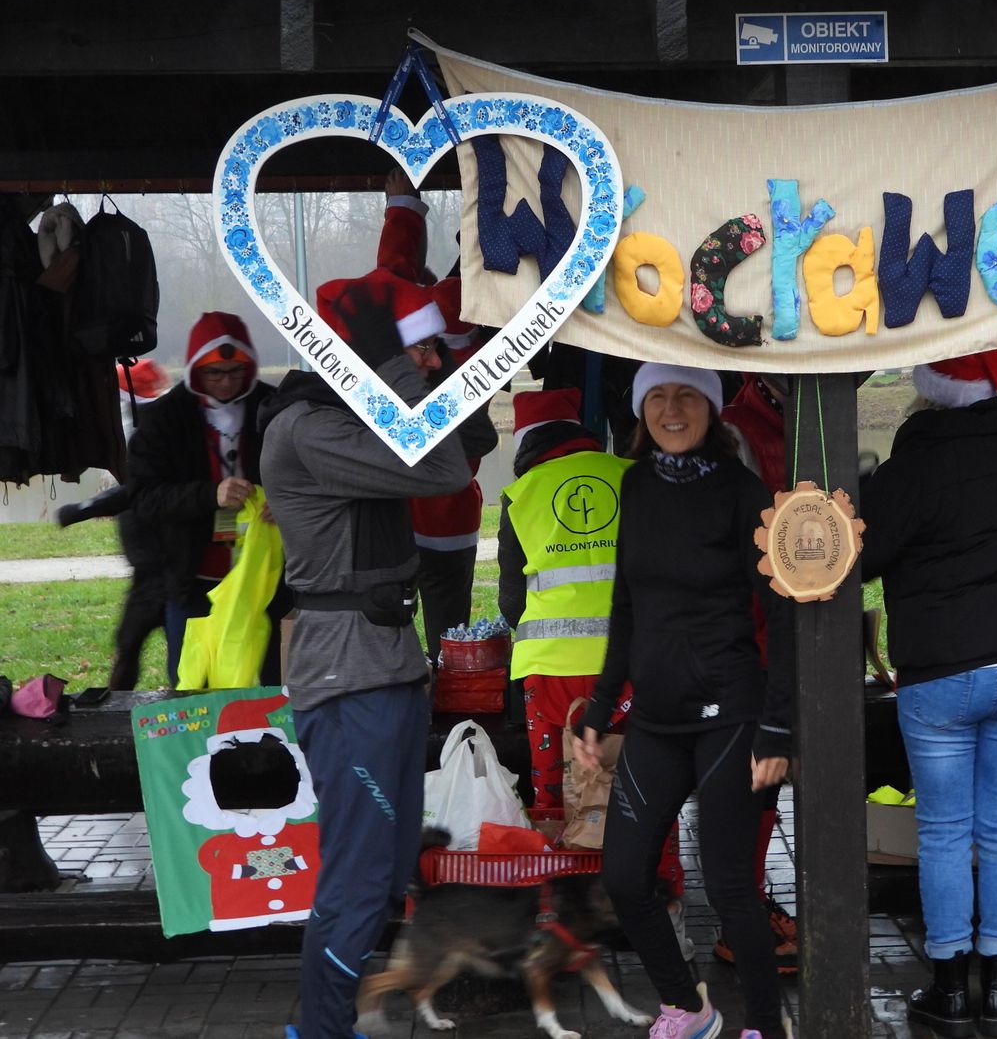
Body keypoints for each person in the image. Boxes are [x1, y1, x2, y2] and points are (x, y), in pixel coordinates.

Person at [260, 268, 472, 1039]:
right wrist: (391, 365)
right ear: (367, 353)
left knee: (385, 875)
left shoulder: (353, 421)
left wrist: (422, 374)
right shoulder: (311, 430)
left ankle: (331, 1025)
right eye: (414, 349)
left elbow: (466, 441)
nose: (429, 363)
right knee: (357, 880)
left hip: (385, 667)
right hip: (349, 679)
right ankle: (320, 1032)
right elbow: (444, 467)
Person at [575, 362, 795, 1039]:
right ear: (641, 411)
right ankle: (688, 1007)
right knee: (625, 877)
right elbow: (625, 601)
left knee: (730, 887)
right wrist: (600, 704)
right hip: (656, 718)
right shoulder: (635, 485)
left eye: (687, 396)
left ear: (711, 407)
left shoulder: (742, 491)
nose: (672, 410)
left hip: (730, 713)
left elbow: (783, 613)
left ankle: (765, 1026)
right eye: (658, 397)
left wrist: (777, 728)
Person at [859, 351, 997, 1039]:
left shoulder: (911, 465)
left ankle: (950, 990)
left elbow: (867, 555)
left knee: (945, 832)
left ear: (929, 393)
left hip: (941, 670)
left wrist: (866, 489)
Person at [373, 169, 500, 660]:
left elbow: (393, 272)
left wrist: (402, 208)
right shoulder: (487, 354)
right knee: (452, 641)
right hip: (451, 520)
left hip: (396, 519)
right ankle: (451, 693)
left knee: (390, 640)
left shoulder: (404, 354)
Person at [498, 385, 634, 810]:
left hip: (549, 664)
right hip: (630, 662)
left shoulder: (521, 494)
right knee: (635, 779)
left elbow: (510, 601)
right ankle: (638, 844)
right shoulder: (632, 476)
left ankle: (557, 840)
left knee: (552, 783)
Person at [128, 313, 280, 686]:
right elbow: (144, 498)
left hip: (263, 582)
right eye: (215, 373)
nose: (226, 381)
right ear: (195, 369)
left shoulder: (274, 408)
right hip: (191, 578)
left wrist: (284, 501)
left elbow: (306, 472)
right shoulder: (162, 419)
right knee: (194, 686)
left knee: (270, 685)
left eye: (235, 371)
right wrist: (210, 495)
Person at [716, 372, 800, 973]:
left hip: (790, 627)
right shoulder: (737, 430)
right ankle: (740, 919)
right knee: (750, 782)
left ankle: (746, 908)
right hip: (753, 635)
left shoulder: (802, 415)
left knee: (766, 785)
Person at [56, 358, 174, 689]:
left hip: (161, 568)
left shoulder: (148, 432)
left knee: (141, 646)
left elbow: (134, 489)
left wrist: (83, 508)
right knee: (132, 644)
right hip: (149, 567)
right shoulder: (143, 425)